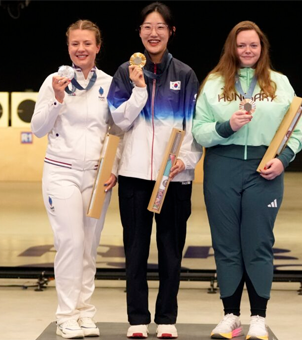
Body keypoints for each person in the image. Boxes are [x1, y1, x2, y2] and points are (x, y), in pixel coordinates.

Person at [192, 21, 302, 339]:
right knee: (226, 246)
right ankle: (230, 316)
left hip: (264, 170)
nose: (247, 50)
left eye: (253, 45)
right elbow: (198, 129)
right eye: (241, 45)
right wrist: (227, 126)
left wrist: (283, 161)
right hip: (221, 169)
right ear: (232, 47)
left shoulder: (279, 84)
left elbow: (295, 127)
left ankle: (258, 317)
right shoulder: (214, 83)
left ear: (262, 48)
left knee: (258, 244)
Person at [107, 2, 202, 339]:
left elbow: (193, 126)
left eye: (160, 26)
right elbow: (117, 121)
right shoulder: (124, 71)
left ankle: (166, 318)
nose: (153, 33)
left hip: (174, 178)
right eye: (147, 26)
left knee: (171, 249)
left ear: (171, 32)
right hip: (134, 177)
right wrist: (137, 88)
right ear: (139, 32)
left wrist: (185, 161)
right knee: (134, 249)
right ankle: (136, 318)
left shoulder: (186, 74)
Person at [31, 19, 121, 339]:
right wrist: (57, 98)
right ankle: (65, 314)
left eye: (87, 43)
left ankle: (84, 311)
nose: (80, 49)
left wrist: (114, 166)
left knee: (89, 246)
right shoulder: (54, 81)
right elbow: (38, 128)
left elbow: (118, 129)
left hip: (97, 178)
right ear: (68, 47)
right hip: (61, 173)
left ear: (98, 46)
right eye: (74, 44)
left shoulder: (110, 84)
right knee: (70, 242)